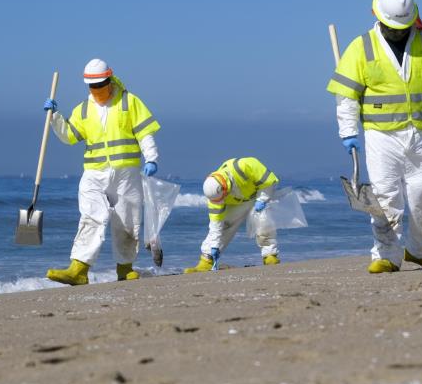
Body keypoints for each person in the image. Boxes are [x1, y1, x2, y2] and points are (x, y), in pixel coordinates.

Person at [326, 0, 422, 273]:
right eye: (393, 27)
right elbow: (346, 97)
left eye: (402, 27)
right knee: (384, 197)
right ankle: (386, 255)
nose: (398, 32)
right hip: (381, 136)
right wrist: (347, 131)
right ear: (378, 17)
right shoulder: (362, 46)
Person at [43, 59, 161, 285]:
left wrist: (152, 157)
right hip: (94, 173)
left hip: (126, 173)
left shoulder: (129, 102)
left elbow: (145, 133)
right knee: (91, 217)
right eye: (92, 86)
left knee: (127, 220)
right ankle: (78, 269)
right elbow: (69, 136)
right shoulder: (84, 109)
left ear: (109, 80)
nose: (96, 90)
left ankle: (125, 269)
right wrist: (55, 118)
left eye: (100, 85)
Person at [184, 157, 280, 273]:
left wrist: (263, 199)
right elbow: (216, 225)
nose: (220, 200)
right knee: (224, 225)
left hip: (259, 197)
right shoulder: (214, 197)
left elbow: (269, 181)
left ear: (225, 188)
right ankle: (207, 261)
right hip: (238, 203)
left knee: (263, 220)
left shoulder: (244, 165)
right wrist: (214, 246)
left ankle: (270, 256)